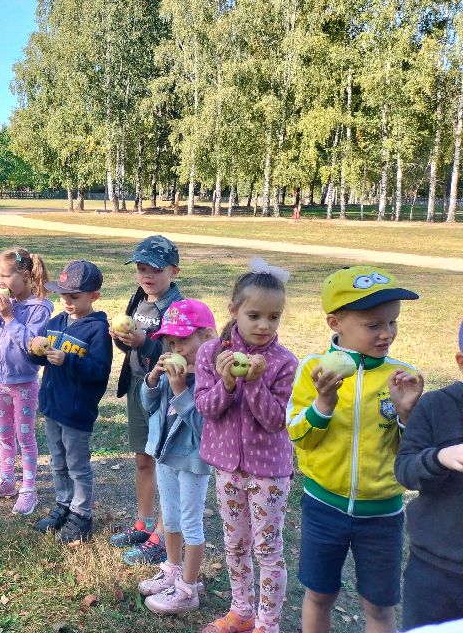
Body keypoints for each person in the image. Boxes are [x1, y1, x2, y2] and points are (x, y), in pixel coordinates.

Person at [289, 265, 423, 633]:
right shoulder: (314, 370)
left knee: (379, 605)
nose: (387, 333)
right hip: (323, 507)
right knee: (319, 595)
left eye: (393, 322)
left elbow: (412, 455)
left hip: (382, 514)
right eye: (373, 324)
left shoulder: (401, 377)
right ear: (335, 323)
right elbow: (298, 436)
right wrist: (323, 404)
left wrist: (407, 415)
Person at [195, 258, 298, 633]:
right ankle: (241, 611)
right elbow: (205, 408)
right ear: (234, 310)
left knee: (267, 550)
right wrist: (226, 384)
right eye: (254, 315)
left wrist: (254, 383)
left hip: (269, 472)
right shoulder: (211, 354)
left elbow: (275, 420)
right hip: (228, 467)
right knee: (235, 544)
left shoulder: (284, 362)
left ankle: (267, 624)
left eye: (274, 317)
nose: (264, 325)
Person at [138, 299, 217, 615]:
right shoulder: (172, 371)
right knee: (170, 517)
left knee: (190, 522)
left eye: (183, 339)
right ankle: (172, 569)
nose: (176, 348)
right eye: (170, 343)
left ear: (207, 336)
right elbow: (149, 406)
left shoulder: (212, 379)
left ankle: (188, 587)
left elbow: (204, 429)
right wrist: (153, 379)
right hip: (165, 454)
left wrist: (182, 390)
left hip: (192, 459)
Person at [110, 235, 183, 565]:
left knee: (164, 463)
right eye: (141, 269)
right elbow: (132, 349)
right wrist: (123, 340)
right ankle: (144, 522)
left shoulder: (178, 308)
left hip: (165, 391)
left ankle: (163, 535)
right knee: (143, 457)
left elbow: (177, 352)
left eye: (154, 269)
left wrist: (144, 343)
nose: (147, 275)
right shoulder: (139, 299)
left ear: (173, 271)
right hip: (138, 386)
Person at [30, 260, 113, 543]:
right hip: (53, 405)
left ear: (94, 296)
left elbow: (99, 371)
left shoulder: (97, 330)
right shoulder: (56, 323)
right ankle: (64, 505)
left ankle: (81, 514)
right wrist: (34, 352)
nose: (67, 301)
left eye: (74, 297)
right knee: (57, 462)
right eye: (63, 295)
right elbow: (41, 358)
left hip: (76, 411)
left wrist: (68, 360)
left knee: (77, 466)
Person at [395, 322, 463, 631]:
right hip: (434, 570)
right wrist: (438, 459)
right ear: (461, 362)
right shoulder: (437, 406)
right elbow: (405, 469)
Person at [0, 247, 52, 515]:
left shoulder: (39, 308)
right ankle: (6, 479)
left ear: (25, 275)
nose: (0, 282)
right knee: (5, 434)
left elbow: (31, 345)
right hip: (0, 383)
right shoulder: (5, 303)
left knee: (25, 436)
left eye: (5, 276)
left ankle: (29, 488)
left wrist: (9, 316)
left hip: (24, 384)